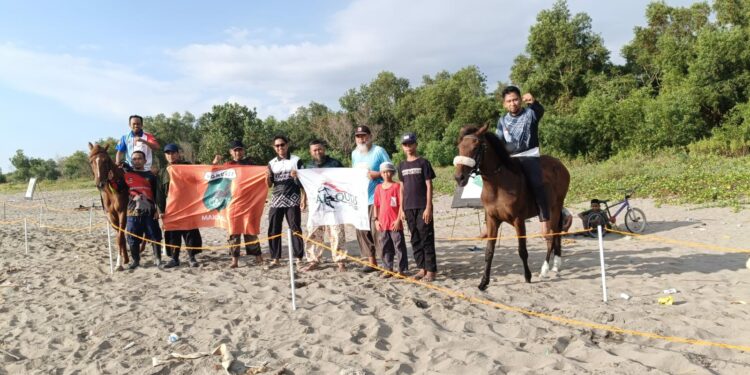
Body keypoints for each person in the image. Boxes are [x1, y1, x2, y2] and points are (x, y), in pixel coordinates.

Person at [496, 86, 549, 234]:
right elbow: (499, 141)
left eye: (515, 99)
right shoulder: (502, 121)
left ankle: (544, 220)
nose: (512, 103)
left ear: (520, 100)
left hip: (529, 155)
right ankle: (491, 220)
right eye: (509, 101)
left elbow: (540, 111)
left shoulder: (530, 114)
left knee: (537, 183)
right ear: (504, 104)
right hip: (510, 159)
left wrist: (534, 102)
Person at [214, 140, 265, 269]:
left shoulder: (250, 164)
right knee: (233, 231)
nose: (238, 152)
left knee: (250, 229)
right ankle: (234, 260)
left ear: (243, 151)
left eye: (240, 149)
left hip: (249, 202)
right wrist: (215, 164)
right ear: (231, 152)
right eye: (235, 150)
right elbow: (214, 176)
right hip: (233, 203)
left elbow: (261, 176)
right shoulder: (227, 165)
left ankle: (258, 256)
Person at [301, 140, 348, 272]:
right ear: (310, 152)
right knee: (313, 233)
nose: (317, 152)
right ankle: (313, 260)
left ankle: (340, 261)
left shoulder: (335, 164)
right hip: (316, 206)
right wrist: (296, 177)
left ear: (324, 149)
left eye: (319, 149)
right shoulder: (308, 166)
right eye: (314, 150)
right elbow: (303, 185)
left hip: (334, 205)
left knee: (337, 233)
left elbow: (346, 180)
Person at [397, 132, 437, 282]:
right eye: (405, 144)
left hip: (422, 207)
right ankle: (422, 268)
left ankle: (431, 270)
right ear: (402, 147)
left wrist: (428, 207)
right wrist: (401, 209)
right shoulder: (401, 165)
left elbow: (429, 186)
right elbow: (401, 188)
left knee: (426, 238)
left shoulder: (423, 163)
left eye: (411, 144)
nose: (408, 147)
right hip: (408, 208)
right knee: (415, 239)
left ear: (416, 144)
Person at [351, 125, 391, 272]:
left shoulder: (379, 151)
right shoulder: (354, 153)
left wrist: (377, 174)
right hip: (360, 198)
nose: (361, 138)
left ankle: (386, 263)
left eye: (364, 135)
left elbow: (390, 169)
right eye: (358, 136)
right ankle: (371, 262)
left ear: (370, 136)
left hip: (377, 197)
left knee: (378, 230)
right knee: (362, 230)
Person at [156, 143, 201, 268]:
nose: (171, 155)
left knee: (190, 232)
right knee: (172, 234)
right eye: (168, 153)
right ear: (165, 155)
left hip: (188, 206)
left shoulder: (188, 167)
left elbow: (201, 178)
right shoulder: (162, 172)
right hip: (171, 208)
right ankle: (174, 259)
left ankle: (192, 257)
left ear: (178, 153)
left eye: (173, 153)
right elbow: (159, 193)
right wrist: (160, 210)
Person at [266, 135, 305, 268]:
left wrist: (297, 178)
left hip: (293, 199)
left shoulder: (296, 160)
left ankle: (299, 258)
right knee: (273, 229)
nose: (280, 147)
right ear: (274, 148)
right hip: (276, 200)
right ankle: (275, 258)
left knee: (295, 228)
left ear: (287, 145)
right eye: (277, 146)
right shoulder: (271, 163)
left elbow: (304, 181)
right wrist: (267, 178)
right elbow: (270, 185)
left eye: (282, 144)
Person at [123, 150, 162, 270]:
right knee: (132, 238)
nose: (137, 161)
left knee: (155, 236)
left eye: (139, 158)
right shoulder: (126, 175)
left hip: (149, 212)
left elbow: (158, 194)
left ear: (145, 160)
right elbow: (117, 189)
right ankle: (136, 261)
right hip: (132, 212)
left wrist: (158, 210)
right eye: (134, 159)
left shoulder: (151, 176)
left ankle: (158, 259)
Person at [373, 161, 408, 278]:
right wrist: (376, 220)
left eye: (388, 171)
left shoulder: (397, 186)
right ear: (381, 174)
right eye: (383, 172)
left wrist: (398, 220)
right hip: (382, 223)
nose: (386, 174)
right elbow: (376, 205)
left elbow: (401, 205)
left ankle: (401, 270)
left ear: (392, 172)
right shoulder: (378, 188)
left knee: (399, 246)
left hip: (394, 223)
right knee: (384, 246)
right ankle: (388, 269)